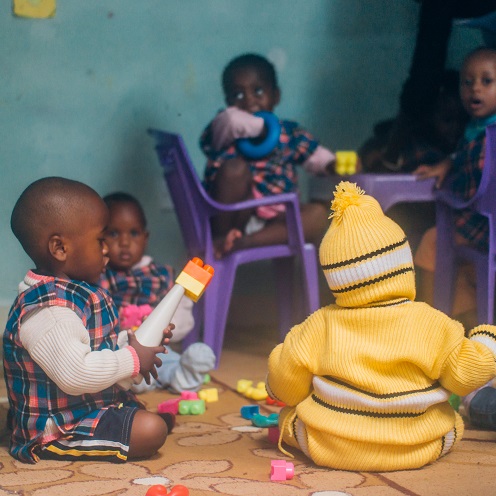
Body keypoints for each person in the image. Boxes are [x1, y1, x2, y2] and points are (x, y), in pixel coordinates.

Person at [266, 181, 496, 472]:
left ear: (336, 279)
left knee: (290, 416)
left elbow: (286, 388)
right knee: (452, 423)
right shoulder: (431, 321)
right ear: (403, 264)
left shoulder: (318, 324)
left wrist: (278, 365)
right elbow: (466, 376)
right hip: (418, 445)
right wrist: (486, 339)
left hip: (332, 448)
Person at [4, 177, 174, 464]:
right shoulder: (49, 311)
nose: (107, 248)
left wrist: (134, 344)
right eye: (100, 239)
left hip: (85, 406)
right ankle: (54, 443)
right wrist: (132, 359)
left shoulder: (76, 292)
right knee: (151, 430)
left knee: (143, 419)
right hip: (58, 426)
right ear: (60, 248)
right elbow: (76, 373)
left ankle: (129, 424)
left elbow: (93, 347)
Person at [414, 47, 496, 428]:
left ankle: (434, 328)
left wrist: (446, 190)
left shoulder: (489, 134)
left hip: (482, 225)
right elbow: (462, 159)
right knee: (461, 263)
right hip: (485, 230)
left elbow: (472, 185)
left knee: (432, 240)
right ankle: (462, 332)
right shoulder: (476, 130)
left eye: (486, 81)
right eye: (468, 82)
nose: (474, 90)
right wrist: (447, 162)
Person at [200, 53, 336, 258]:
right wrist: (263, 128)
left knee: (317, 215)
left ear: (276, 96)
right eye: (238, 95)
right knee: (234, 168)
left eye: (258, 91)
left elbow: (316, 156)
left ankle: (245, 243)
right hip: (235, 217)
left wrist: (333, 165)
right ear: (228, 100)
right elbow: (230, 120)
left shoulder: (290, 133)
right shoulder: (224, 128)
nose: (249, 101)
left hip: (276, 220)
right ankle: (221, 240)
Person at [99, 192, 215, 394]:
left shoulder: (161, 274)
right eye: (114, 234)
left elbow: (177, 320)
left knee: (168, 359)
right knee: (111, 364)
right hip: (120, 348)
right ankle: (136, 377)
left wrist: (185, 299)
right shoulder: (100, 275)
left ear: (145, 238)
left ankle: (183, 374)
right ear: (100, 239)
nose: (125, 242)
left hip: (157, 348)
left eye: (133, 233)